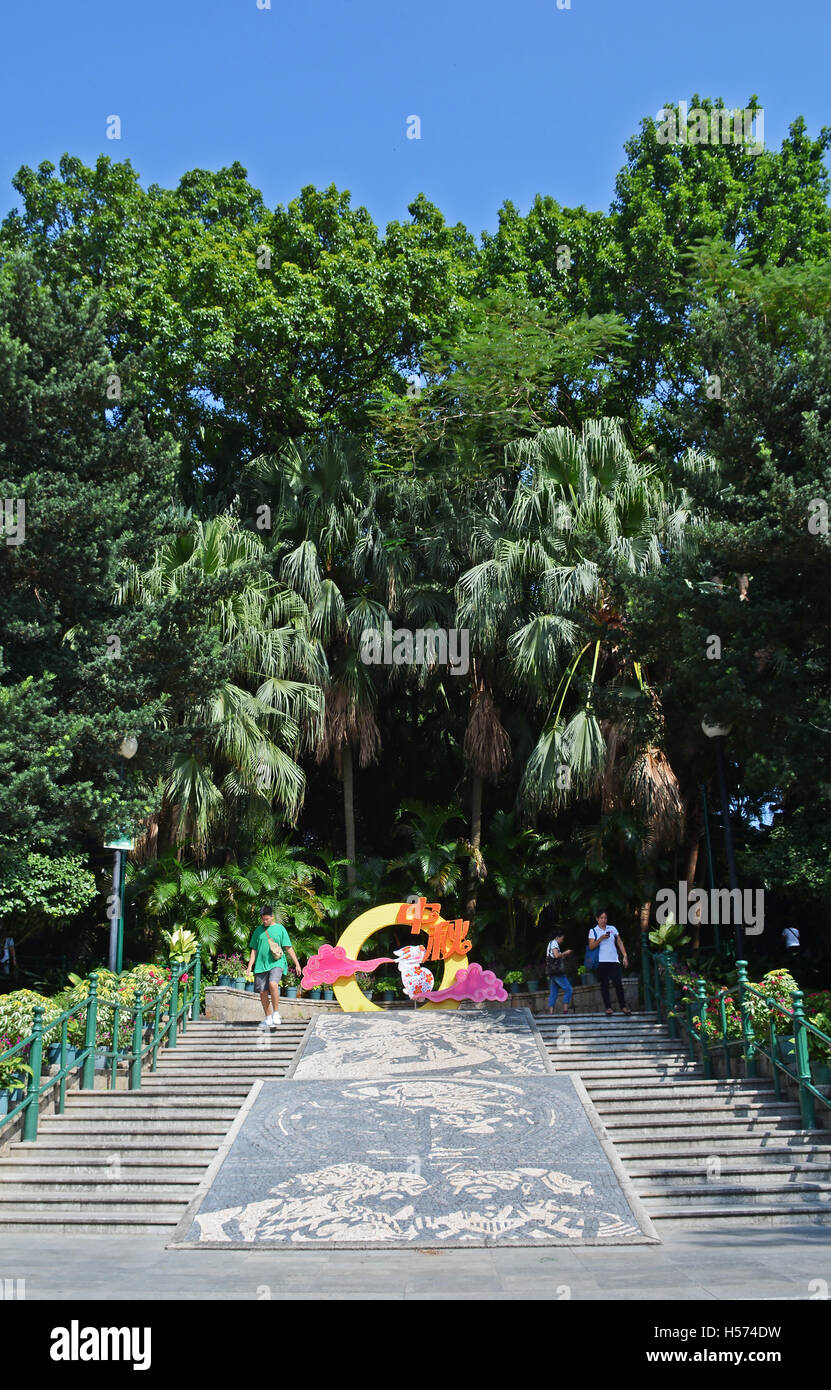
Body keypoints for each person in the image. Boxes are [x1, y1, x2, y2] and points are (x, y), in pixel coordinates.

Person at [246, 906, 302, 1030]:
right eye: (263, 919)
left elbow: (288, 947)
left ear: (272, 917)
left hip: (277, 962)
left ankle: (276, 1013)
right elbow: (254, 949)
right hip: (261, 965)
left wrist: (297, 964)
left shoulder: (280, 929)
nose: (264, 922)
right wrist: (249, 966)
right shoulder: (258, 931)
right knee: (262, 992)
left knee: (273, 984)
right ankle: (268, 1017)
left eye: (266, 919)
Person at [589, 910, 631, 1017]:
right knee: (604, 985)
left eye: (605, 918)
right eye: (601, 918)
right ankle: (608, 1008)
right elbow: (591, 946)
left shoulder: (612, 928)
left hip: (614, 960)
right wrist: (601, 938)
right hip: (601, 961)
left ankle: (623, 1006)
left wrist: (625, 955)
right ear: (597, 919)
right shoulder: (593, 930)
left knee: (618, 984)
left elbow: (619, 942)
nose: (604, 920)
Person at [545, 932, 573, 1015]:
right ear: (557, 937)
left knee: (553, 992)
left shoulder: (550, 943)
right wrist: (566, 952)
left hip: (552, 972)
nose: (562, 941)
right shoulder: (554, 943)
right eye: (562, 939)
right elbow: (556, 955)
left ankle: (551, 1013)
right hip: (557, 972)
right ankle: (565, 1011)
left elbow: (552, 956)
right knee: (569, 990)